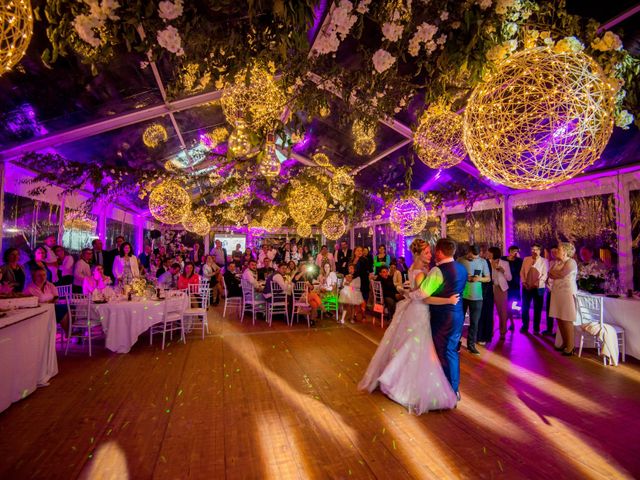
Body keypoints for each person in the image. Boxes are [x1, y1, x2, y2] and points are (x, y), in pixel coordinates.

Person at [358, 238, 461, 413]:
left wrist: (407, 292)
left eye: (430, 252)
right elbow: (424, 296)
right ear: (418, 254)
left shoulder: (414, 269)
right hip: (420, 311)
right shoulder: (421, 272)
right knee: (416, 348)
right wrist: (448, 299)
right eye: (427, 252)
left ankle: (393, 377)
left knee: (412, 346)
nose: (431, 255)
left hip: (415, 310)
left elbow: (414, 292)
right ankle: (396, 381)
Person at [457, 245, 490, 355]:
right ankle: (456, 343)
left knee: (474, 322)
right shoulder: (460, 260)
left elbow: (488, 278)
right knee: (459, 321)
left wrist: (478, 278)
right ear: (469, 251)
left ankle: (471, 345)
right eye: (473, 255)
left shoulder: (483, 262)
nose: (475, 258)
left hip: (477, 296)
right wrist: (465, 277)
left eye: (477, 256)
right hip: (462, 295)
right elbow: (455, 276)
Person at [549, 242, 578, 356]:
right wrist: (555, 273)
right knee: (559, 318)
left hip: (566, 293)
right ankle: (565, 343)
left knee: (566, 318)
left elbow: (561, 274)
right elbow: (549, 274)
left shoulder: (571, 262)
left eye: (559, 249)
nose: (557, 251)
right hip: (557, 292)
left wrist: (554, 273)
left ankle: (571, 347)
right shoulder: (557, 262)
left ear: (565, 251)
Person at [520, 243, 549, 334]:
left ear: (540, 251)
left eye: (536, 249)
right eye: (532, 249)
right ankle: (525, 326)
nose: (534, 251)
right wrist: (524, 282)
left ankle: (536, 328)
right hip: (526, 286)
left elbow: (545, 275)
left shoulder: (544, 261)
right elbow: (522, 272)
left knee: (538, 308)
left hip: (539, 287)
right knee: (525, 307)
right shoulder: (526, 259)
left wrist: (536, 283)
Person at [488, 247, 512, 338]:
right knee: (490, 311)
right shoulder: (487, 263)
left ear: (494, 253)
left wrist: (503, 271)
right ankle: (490, 331)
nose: (488, 254)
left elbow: (509, 278)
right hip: (490, 288)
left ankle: (503, 331)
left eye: (489, 253)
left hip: (501, 289)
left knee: (502, 311)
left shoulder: (505, 263)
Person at [502, 245, 522, 331]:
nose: (515, 253)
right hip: (505, 284)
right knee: (506, 305)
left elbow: (521, 272)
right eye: (514, 251)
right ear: (509, 251)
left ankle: (508, 324)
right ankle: (509, 323)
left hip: (514, 285)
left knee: (509, 305)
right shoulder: (503, 259)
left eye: (517, 251)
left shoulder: (519, 261)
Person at [477, 249, 494, 345]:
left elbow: (485, 278)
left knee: (483, 315)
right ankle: (483, 336)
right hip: (485, 292)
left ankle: (482, 337)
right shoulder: (484, 262)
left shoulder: (484, 262)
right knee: (483, 315)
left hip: (484, 292)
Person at [544, 247, 559, 336]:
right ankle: (549, 329)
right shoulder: (549, 263)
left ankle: (558, 332)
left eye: (555, 252)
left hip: (558, 291)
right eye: (552, 252)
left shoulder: (562, 263)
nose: (553, 254)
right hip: (549, 290)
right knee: (549, 311)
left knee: (558, 312)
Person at [353, 246, 370, 318]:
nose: (360, 252)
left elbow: (367, 269)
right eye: (358, 250)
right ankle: (355, 313)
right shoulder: (352, 260)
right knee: (356, 298)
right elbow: (351, 270)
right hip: (355, 281)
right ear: (355, 252)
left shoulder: (364, 259)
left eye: (361, 250)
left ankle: (363, 313)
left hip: (364, 281)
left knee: (364, 297)